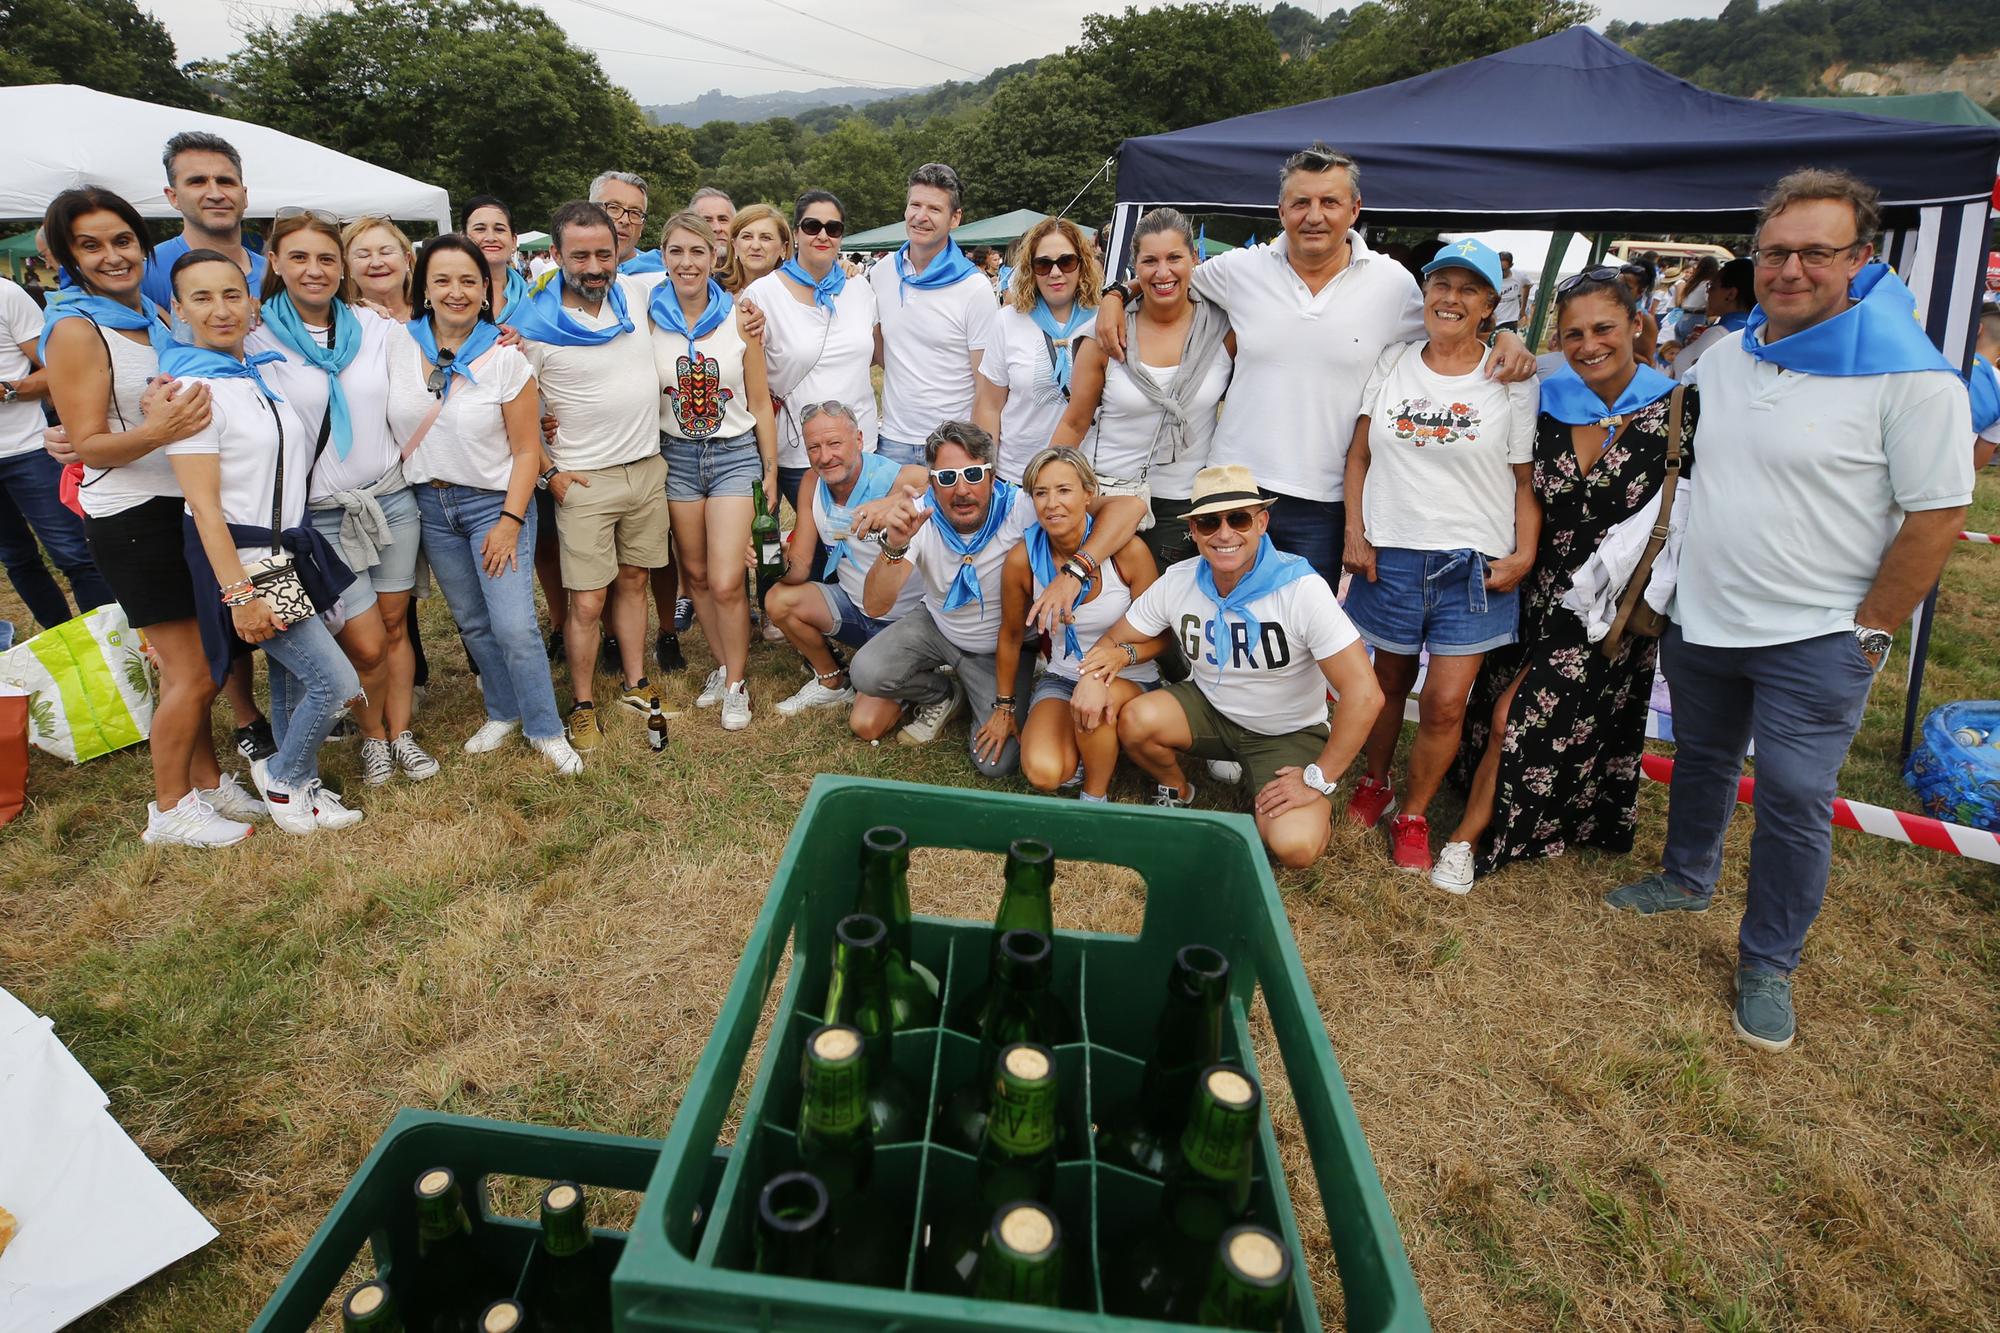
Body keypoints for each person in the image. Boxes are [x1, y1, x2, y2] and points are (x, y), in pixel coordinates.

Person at [1609, 169, 1973, 1054]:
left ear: (1858, 260)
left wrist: (1872, 630)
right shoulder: (1729, 356)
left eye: (1816, 251)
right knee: (1699, 757)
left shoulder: (1914, 381)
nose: (1791, 269)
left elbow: (1938, 517)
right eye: (1775, 251)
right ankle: (1687, 876)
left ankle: (1768, 959)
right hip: (1706, 616)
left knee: (1797, 796)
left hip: (1818, 635)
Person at [1095, 144, 1534, 585]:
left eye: (1330, 202)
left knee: (1303, 642)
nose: (1314, 215)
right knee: (1220, 623)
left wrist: (1502, 335)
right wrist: (1116, 295)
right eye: (1301, 202)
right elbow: (1166, 275)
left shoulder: (1393, 285)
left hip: (1322, 503)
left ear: (1355, 209)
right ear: (1281, 210)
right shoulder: (1240, 270)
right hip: (1233, 488)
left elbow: (1448, 323)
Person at [1439, 271, 1685, 900]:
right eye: (1572, 333)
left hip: (1605, 601)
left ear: (1637, 324)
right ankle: (1531, 808)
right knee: (1507, 709)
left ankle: (1467, 839)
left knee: (1510, 715)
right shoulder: (1547, 401)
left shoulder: (1680, 411)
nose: (1588, 344)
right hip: (1529, 586)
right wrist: (1505, 334)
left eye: (1604, 327)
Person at [39, 188, 266, 847]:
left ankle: (207, 781)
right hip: (131, 517)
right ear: (68, 256)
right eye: (91, 245)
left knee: (197, 666)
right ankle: (169, 809)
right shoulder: (78, 327)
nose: (112, 256)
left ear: (142, 243)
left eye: (121, 240)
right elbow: (86, 443)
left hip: (180, 512)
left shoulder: (151, 313)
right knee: (191, 671)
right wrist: (157, 430)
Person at [1341, 238, 1540, 880]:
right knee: (1387, 684)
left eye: (1468, 289)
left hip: (1472, 566)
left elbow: (1523, 483)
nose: (1451, 299)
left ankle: (1417, 814)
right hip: (1393, 552)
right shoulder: (1395, 360)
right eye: (1441, 285)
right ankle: (1376, 782)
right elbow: (1359, 456)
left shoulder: (1511, 379)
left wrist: (1525, 552)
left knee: (1447, 703)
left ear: (1489, 304)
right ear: (1425, 294)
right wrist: (1355, 533)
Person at [1087, 464, 1382, 867]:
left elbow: (1365, 694)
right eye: (1209, 522)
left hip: (1285, 730)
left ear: (1262, 522)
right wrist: (1095, 675)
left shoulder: (1300, 588)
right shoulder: (1181, 579)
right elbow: (1117, 636)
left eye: (1238, 518)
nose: (1224, 533)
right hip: (1211, 709)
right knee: (1137, 719)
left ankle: (1281, 795)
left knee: (1294, 848)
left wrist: (1318, 778)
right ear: (1193, 531)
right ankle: (1178, 789)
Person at [162, 249, 362, 836]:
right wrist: (240, 594)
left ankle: (302, 784)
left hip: (287, 552)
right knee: (336, 682)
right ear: (179, 309)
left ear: (253, 303)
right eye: (201, 297)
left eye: (231, 294)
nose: (220, 309)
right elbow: (203, 507)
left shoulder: (255, 374)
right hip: (249, 560)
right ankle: (283, 776)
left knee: (291, 678)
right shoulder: (193, 391)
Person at [249, 207, 437, 786]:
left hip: (391, 501)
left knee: (396, 625)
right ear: (275, 262)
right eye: (299, 257)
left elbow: (427, 382)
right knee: (366, 642)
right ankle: (371, 734)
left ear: (341, 268)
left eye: (326, 258)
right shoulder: (255, 337)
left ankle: (399, 733)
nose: (314, 270)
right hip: (322, 517)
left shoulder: (376, 327)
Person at [851, 419, 1143, 777]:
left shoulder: (1023, 506)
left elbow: (1130, 508)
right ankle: (943, 694)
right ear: (932, 484)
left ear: (992, 476)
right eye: (946, 478)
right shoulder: (920, 516)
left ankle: (987, 692)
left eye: (973, 474)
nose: (961, 490)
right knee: (866, 671)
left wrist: (1076, 570)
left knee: (997, 762)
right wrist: (894, 547)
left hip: (999, 648)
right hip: (938, 625)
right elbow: (876, 605)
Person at [389, 234, 582, 775]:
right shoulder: (396, 346)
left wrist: (509, 520)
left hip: (494, 504)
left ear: (485, 288)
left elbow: (526, 452)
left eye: (468, 281)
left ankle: (545, 726)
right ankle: (501, 710)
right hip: (430, 503)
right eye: (443, 280)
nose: (456, 291)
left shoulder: (504, 359)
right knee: (472, 624)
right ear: (424, 287)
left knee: (516, 625)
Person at [511, 200, 668, 751]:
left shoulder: (637, 296)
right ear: (555, 256)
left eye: (605, 253)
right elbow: (512, 411)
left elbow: (705, 286)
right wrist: (548, 473)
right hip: (583, 482)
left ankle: (635, 682)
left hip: (646, 469)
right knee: (585, 602)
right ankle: (581, 703)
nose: (595, 266)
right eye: (580, 255)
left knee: (634, 583)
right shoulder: (531, 326)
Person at [650, 210, 778, 731]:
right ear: (662, 257)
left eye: (697, 252)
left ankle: (736, 685)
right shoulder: (644, 314)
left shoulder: (739, 318)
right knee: (696, 575)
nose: (687, 262)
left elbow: (761, 401)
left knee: (727, 580)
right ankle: (723, 664)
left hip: (731, 454)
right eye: (676, 251)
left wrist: (769, 468)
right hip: (676, 455)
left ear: (716, 256)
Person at [1054, 208, 1233, 577]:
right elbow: (1074, 422)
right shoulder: (1105, 334)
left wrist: (1115, 294)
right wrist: (1047, 488)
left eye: (1174, 258)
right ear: (1135, 265)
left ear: (1194, 259)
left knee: (1158, 624)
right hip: (1106, 497)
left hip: (1182, 504)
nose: (1163, 272)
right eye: (1150, 260)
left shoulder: (1223, 328)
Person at [992, 446, 1159, 801]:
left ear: (1089, 493)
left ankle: (1094, 797)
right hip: (1064, 676)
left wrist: (1120, 657)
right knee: (1043, 772)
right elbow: (1009, 637)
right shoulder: (1023, 559)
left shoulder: (1127, 551)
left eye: (1064, 490)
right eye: (1041, 492)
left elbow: (1164, 638)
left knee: (1094, 700)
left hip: (1127, 676)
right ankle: (1091, 744)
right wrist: (1004, 707)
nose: (1052, 503)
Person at [764, 400, 925, 718]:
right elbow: (799, 569)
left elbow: (937, 481)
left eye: (835, 443)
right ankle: (832, 682)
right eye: (814, 447)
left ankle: (930, 678)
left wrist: (890, 502)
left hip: (904, 622)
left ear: (860, 440)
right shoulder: (813, 482)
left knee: (867, 724)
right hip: (854, 606)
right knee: (779, 599)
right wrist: (771, 561)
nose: (825, 457)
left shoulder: (895, 476)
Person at [741, 191, 878, 515]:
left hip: (861, 447)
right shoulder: (763, 293)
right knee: (813, 555)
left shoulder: (859, 287)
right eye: (812, 225)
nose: (822, 235)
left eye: (833, 228)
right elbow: (753, 388)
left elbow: (873, 354)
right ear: (796, 233)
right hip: (799, 452)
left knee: (858, 553)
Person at [0, 273, 116, 627]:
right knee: (16, 559)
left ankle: (114, 648)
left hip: (29, 449)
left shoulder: (5, 293)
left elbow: (59, 369)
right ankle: (64, 644)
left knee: (76, 555)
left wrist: (7, 389)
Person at [868, 163, 999, 467]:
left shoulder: (974, 287)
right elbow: (885, 352)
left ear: (955, 219)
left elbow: (986, 385)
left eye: (934, 209)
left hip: (952, 444)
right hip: (893, 441)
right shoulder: (883, 272)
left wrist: (980, 455)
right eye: (915, 204)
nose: (921, 216)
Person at [972, 216, 1100, 483]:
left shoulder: (1103, 321)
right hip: (1017, 475)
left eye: (1066, 261)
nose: (1055, 273)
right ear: (1030, 269)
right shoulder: (1007, 321)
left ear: (1082, 263)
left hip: (1084, 478)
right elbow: (989, 405)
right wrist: (988, 473)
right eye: (1043, 264)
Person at [139, 131, 267, 314]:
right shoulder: (149, 274)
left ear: (244, 195)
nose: (215, 194)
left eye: (225, 181)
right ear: (173, 197)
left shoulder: (273, 274)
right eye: (197, 182)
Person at [1670, 258, 1753, 382]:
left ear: (1731, 294)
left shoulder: (1718, 334)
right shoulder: (1761, 330)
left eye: (1712, 287)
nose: (1708, 291)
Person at [463, 195, 533, 322]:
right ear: (463, 238)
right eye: (480, 229)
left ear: (513, 241)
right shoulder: (446, 295)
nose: (490, 238)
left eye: (499, 229)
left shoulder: (535, 300)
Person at [342, 217, 416, 323]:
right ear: (347, 267)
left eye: (386, 252)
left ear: (406, 260)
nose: (376, 263)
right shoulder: (343, 321)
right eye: (363, 255)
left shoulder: (434, 311)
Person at [716, 204, 790, 295]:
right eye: (747, 237)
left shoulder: (798, 296)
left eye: (766, 238)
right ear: (734, 245)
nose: (755, 246)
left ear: (783, 249)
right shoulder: (713, 291)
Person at [592, 171, 653, 272]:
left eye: (635, 213)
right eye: (614, 208)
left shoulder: (662, 280)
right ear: (589, 212)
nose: (625, 220)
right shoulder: (559, 269)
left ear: (642, 227)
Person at [1618, 260, 1661, 366]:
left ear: (1641, 291)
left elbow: (1648, 363)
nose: (1619, 291)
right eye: (1616, 285)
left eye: (1627, 288)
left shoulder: (1645, 320)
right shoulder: (1609, 311)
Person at [690, 187, 736, 261]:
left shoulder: (753, 270)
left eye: (723, 220)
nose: (717, 228)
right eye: (707, 220)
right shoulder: (677, 270)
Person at [1493, 250, 1531, 332]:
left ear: (1511, 265)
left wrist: (1523, 308)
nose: (1501, 272)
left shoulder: (1519, 276)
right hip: (1493, 320)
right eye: (1499, 268)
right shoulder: (1491, 277)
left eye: (1504, 269)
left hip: (1510, 320)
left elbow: (1527, 286)